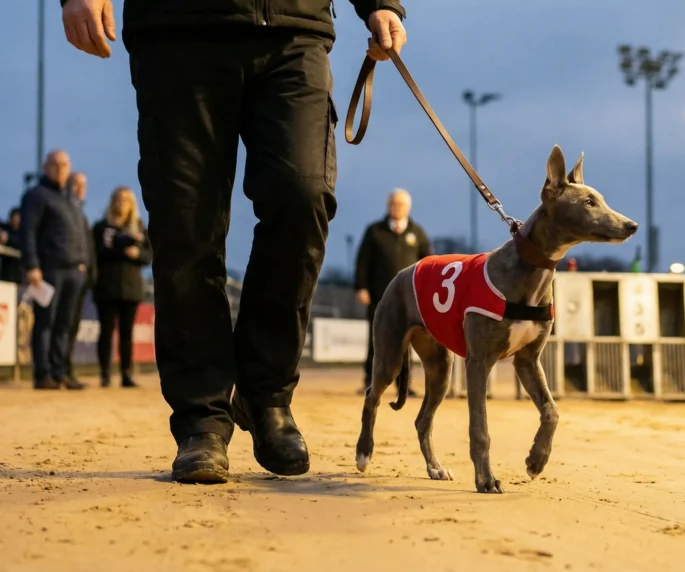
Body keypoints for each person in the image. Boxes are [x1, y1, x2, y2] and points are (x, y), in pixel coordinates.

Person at [61, 0, 408, 483]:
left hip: (294, 29)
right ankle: (202, 416)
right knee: (186, 224)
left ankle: (265, 392)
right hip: (179, 32)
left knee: (303, 195)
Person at [19, 150, 90, 391]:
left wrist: (82, 263)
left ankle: (61, 372)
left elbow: (79, 232)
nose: (61, 169)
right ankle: (43, 374)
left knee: (65, 325)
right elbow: (27, 232)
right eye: (55, 164)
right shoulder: (36, 196)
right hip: (49, 270)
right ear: (45, 166)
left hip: (73, 271)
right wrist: (32, 265)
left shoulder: (71, 198)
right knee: (45, 324)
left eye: (65, 165)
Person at [355, 189, 432, 395]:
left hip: (408, 300)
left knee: (406, 342)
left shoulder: (417, 233)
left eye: (399, 205)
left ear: (408, 208)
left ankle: (404, 386)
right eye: (392, 204)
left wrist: (427, 292)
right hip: (379, 297)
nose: (395, 208)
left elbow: (427, 265)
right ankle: (370, 383)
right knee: (376, 340)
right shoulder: (374, 232)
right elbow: (362, 262)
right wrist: (361, 287)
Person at [93, 187, 152, 389]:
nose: (121, 203)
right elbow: (96, 254)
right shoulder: (101, 227)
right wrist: (119, 249)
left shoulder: (139, 228)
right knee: (106, 331)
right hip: (106, 287)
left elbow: (149, 256)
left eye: (126, 200)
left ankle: (127, 374)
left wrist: (137, 254)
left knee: (127, 333)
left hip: (131, 288)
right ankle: (104, 374)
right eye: (118, 199)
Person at [64, 172, 98, 388]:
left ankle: (65, 369)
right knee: (62, 326)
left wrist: (91, 274)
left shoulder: (80, 213)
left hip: (82, 278)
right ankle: (58, 370)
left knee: (71, 326)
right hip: (66, 273)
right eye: (76, 184)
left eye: (83, 185)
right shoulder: (67, 209)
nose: (80, 188)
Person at [0, 208, 23, 283]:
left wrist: (9, 238)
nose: (16, 220)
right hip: (6, 271)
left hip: (19, 272)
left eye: (18, 217)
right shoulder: (5, 228)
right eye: (14, 217)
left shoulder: (23, 233)